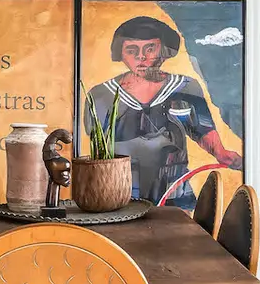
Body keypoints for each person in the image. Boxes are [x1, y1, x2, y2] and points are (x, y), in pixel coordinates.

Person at [85, 16, 242, 209]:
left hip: (173, 185)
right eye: (131, 50)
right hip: (119, 188)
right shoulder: (101, 95)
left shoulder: (185, 87)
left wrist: (220, 152)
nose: (141, 57)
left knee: (175, 227)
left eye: (150, 48)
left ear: (164, 50)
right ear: (120, 53)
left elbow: (202, 129)